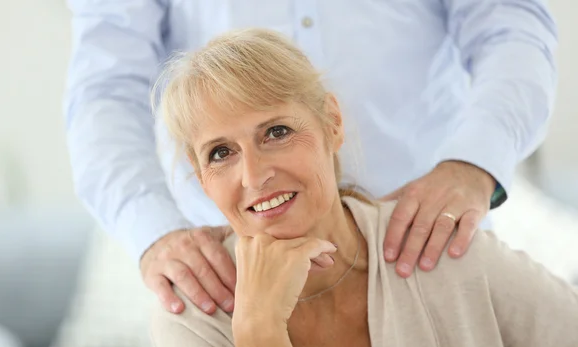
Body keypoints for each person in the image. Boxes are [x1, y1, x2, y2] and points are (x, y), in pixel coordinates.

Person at [149, 28, 577, 347]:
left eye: (276, 132)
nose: (254, 176)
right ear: (200, 176)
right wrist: (258, 331)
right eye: (221, 153)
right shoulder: (192, 317)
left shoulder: (443, 251)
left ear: (332, 123)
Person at [64, 1, 558, 316]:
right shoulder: (199, 329)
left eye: (277, 133)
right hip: (235, 285)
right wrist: (155, 232)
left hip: (428, 244)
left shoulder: (487, 273)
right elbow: (106, 88)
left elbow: (510, 25)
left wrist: (474, 161)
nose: (258, 169)